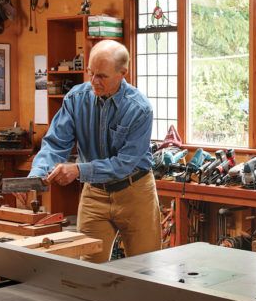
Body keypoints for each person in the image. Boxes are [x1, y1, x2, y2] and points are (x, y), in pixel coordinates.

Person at [29, 39, 160, 263]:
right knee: (88, 270)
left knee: (143, 269)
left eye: (102, 76)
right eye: (91, 73)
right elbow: (56, 142)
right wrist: (37, 174)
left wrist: (79, 170)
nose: (93, 82)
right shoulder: (76, 99)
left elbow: (124, 164)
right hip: (95, 194)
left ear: (123, 73)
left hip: (135, 192)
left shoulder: (140, 109)